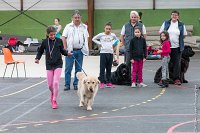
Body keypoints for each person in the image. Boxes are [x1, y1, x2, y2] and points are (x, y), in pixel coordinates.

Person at [35, 26, 71, 109]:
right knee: (50, 85)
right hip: (49, 64)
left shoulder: (59, 41)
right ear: (47, 34)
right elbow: (40, 51)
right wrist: (37, 58)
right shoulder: (45, 42)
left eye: (54, 34)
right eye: (51, 35)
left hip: (58, 63)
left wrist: (67, 53)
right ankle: (53, 93)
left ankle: (54, 100)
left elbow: (62, 50)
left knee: (55, 83)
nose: (53, 36)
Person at [62, 10, 89, 91]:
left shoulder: (84, 27)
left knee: (78, 69)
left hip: (80, 51)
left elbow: (87, 37)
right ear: (72, 18)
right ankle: (67, 84)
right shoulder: (68, 26)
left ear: (80, 18)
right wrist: (66, 49)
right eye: (75, 17)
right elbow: (63, 37)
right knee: (68, 69)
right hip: (70, 51)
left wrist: (85, 47)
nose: (77, 19)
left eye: (78, 17)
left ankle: (76, 84)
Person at [159, 10, 187, 85]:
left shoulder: (181, 24)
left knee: (176, 63)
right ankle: (164, 78)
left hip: (177, 47)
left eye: (176, 15)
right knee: (165, 63)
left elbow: (184, 35)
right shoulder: (166, 23)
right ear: (171, 16)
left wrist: (177, 40)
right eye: (173, 15)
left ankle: (176, 79)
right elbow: (161, 32)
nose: (174, 16)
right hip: (167, 47)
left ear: (178, 16)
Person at [120, 11, 147, 82]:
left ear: (137, 17)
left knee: (138, 65)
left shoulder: (141, 25)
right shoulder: (125, 25)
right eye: (132, 17)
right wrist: (124, 44)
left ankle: (137, 79)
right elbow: (122, 35)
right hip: (128, 49)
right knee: (127, 64)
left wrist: (143, 44)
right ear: (130, 17)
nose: (133, 18)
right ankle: (128, 79)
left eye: (135, 17)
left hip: (138, 50)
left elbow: (144, 35)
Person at [92, 22, 118, 88]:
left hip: (110, 53)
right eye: (107, 28)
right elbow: (93, 39)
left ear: (111, 29)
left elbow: (117, 40)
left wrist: (113, 44)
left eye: (109, 29)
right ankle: (102, 82)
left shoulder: (113, 35)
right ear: (104, 28)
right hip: (103, 53)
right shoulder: (101, 35)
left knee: (109, 68)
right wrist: (100, 43)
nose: (108, 30)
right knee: (102, 68)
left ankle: (108, 82)